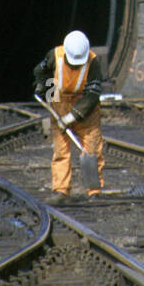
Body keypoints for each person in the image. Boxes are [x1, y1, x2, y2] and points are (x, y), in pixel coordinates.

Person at [33, 30, 106, 204]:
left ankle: (94, 191)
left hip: (85, 108)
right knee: (61, 151)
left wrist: (71, 117)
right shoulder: (55, 55)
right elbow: (41, 72)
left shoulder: (93, 62)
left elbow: (92, 94)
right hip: (61, 104)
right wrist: (46, 92)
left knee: (92, 149)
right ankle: (61, 191)